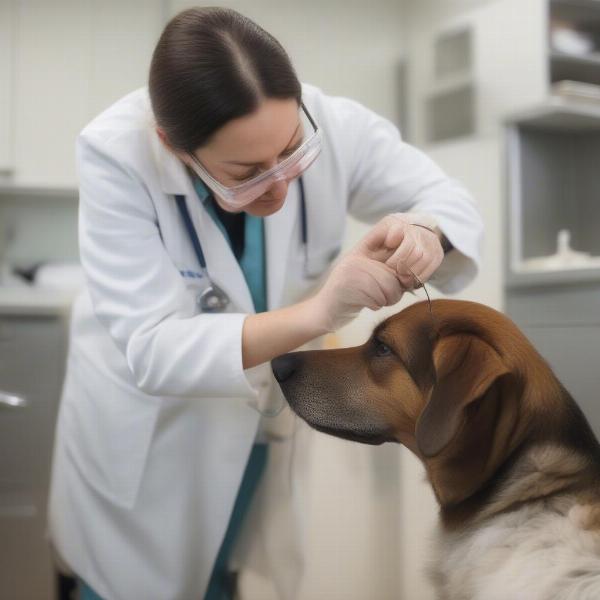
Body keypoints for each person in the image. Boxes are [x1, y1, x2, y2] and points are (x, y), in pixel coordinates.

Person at [48, 7, 483, 600]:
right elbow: (152, 347)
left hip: (258, 429)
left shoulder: (332, 121)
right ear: (173, 145)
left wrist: (427, 232)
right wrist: (322, 312)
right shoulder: (115, 153)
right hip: (153, 441)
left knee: (232, 572)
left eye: (292, 151)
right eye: (246, 173)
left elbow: (444, 196)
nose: (280, 186)